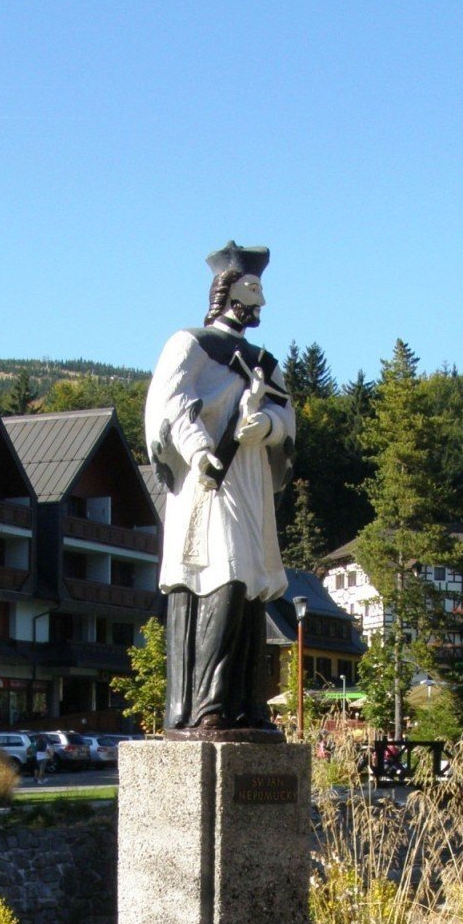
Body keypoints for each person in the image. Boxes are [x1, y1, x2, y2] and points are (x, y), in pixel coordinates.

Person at [146, 242, 295, 735]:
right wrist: (196, 448)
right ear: (227, 290)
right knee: (223, 578)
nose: (261, 302)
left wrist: (267, 429)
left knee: (251, 587)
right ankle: (206, 706)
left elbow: (285, 417)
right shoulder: (190, 345)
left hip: (250, 481)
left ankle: (246, 705)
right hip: (208, 484)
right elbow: (169, 404)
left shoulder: (264, 363)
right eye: (253, 289)